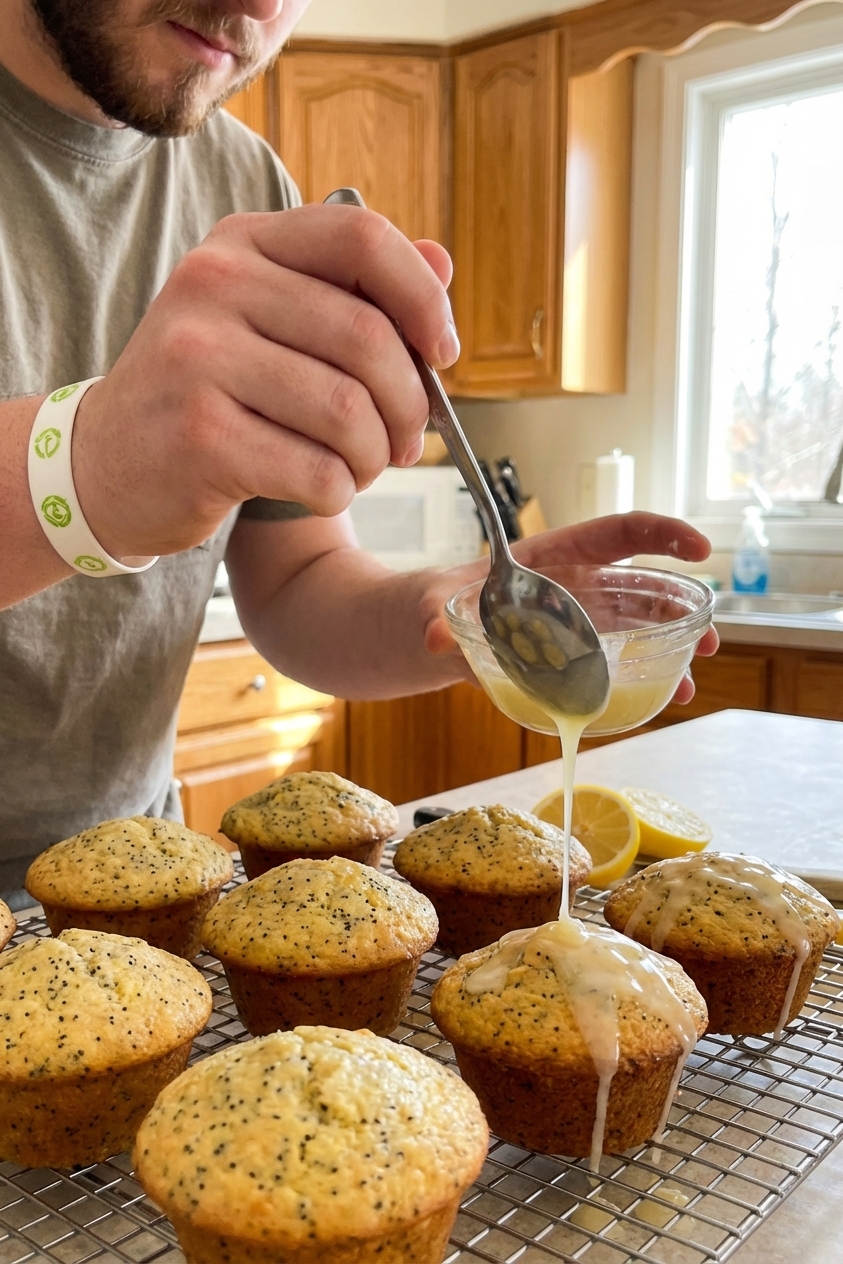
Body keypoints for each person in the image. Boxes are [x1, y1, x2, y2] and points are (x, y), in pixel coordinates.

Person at [0, 0, 718, 906]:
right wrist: (89, 466)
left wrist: (469, 609)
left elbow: (299, 581)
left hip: (145, 877)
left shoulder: (243, 176)